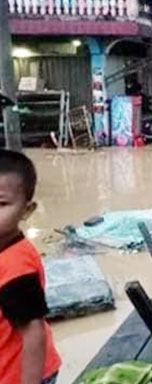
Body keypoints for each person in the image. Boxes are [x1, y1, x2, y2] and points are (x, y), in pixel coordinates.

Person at [0, 150, 61, 384]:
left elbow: (33, 332)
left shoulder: (15, 265)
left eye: (1, 204)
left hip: (23, 375)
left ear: (26, 210)